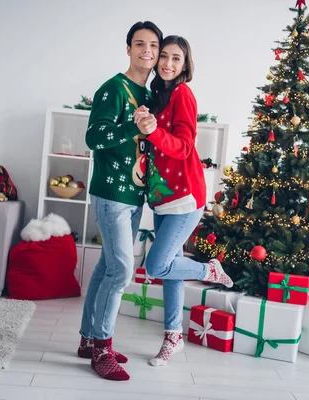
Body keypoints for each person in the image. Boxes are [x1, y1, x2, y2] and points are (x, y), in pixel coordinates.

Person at [134, 36, 234, 367]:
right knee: (171, 271)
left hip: (186, 197)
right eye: (164, 56)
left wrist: (152, 133)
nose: (167, 63)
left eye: (176, 59)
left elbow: (185, 147)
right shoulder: (158, 97)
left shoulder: (182, 94)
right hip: (165, 197)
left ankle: (209, 269)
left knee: (156, 265)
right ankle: (173, 337)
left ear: (184, 65)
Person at [77, 20, 163, 381]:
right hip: (111, 193)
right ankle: (102, 348)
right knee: (123, 270)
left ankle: (86, 339)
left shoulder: (149, 94)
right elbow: (93, 137)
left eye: (154, 46)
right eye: (139, 44)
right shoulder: (114, 89)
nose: (147, 50)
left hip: (134, 193)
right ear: (128, 49)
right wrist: (133, 127)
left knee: (106, 267)